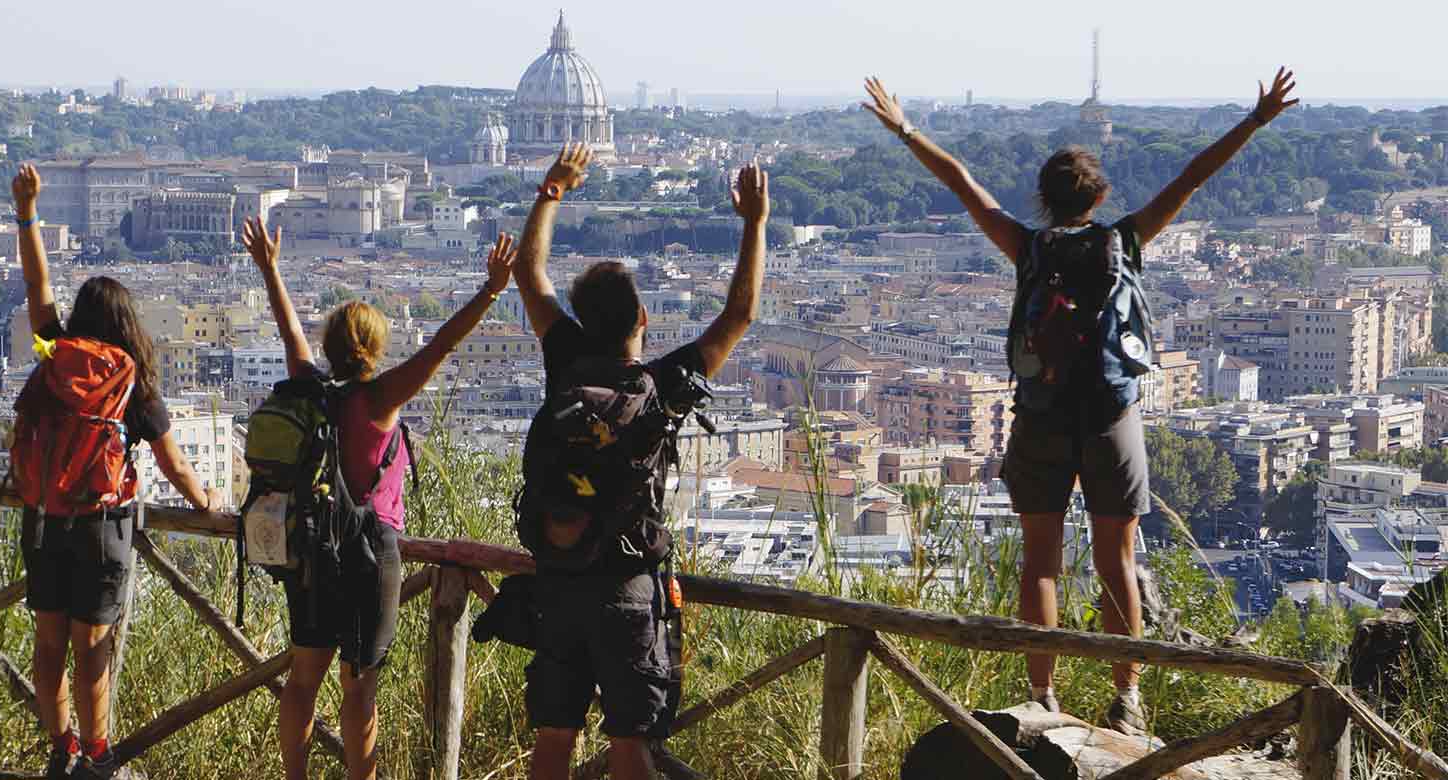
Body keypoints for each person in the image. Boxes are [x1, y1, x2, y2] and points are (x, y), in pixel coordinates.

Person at [861, 69, 1299, 733]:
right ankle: (1126, 695)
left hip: (1040, 416)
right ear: (1101, 197)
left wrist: (904, 127)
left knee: (1040, 562)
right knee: (1115, 561)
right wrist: (1256, 119)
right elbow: (1191, 176)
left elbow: (959, 181)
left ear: (1042, 198)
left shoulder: (1028, 247)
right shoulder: (1123, 241)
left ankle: (1043, 693)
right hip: (1110, 417)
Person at [511, 144, 768, 780]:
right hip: (629, 587)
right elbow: (740, 314)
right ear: (643, 319)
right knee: (632, 751)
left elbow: (530, 275)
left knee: (552, 746)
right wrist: (755, 224)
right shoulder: (663, 384)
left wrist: (552, 191)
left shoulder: (564, 363)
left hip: (559, 582)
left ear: (583, 321)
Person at [240, 217, 519, 780]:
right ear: (375, 346)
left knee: (303, 676)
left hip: (312, 549)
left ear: (333, 348)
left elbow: (288, 330)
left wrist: (270, 268)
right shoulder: (382, 399)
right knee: (360, 683)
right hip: (372, 553)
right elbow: (444, 344)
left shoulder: (311, 391)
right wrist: (491, 290)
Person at [10, 164, 223, 780]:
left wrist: (27, 212)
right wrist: (205, 498)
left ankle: (62, 748)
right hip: (102, 528)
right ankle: (99, 758)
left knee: (48, 648)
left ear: (82, 320)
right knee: (92, 651)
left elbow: (36, 286)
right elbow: (174, 464)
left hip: (45, 520)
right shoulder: (130, 381)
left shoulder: (57, 356)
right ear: (128, 323)